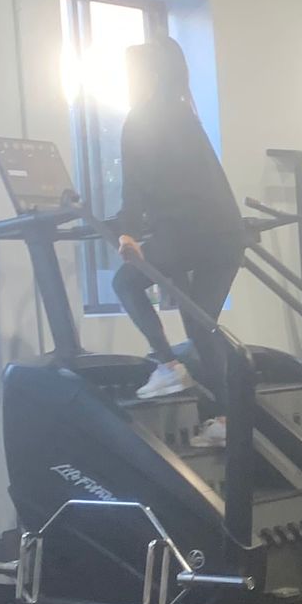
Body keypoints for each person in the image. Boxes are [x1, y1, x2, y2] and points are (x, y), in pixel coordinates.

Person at [112, 34, 248, 445]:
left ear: (149, 75)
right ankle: (225, 420)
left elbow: (134, 189)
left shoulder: (141, 117)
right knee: (200, 323)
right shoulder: (186, 114)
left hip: (191, 232)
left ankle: (168, 364)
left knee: (125, 281)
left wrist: (126, 232)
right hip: (226, 236)